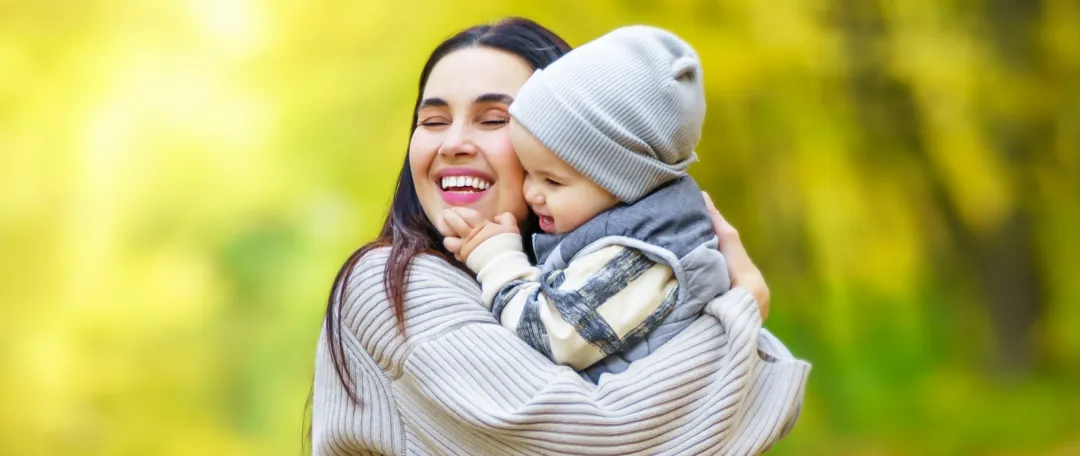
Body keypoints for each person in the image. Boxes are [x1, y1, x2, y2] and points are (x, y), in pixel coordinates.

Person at [311, 17, 809, 455]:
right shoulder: (391, 285)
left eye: (494, 120)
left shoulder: (591, 273)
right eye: (433, 120)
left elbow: (768, 402)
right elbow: (592, 440)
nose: (455, 143)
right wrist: (739, 315)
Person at [441, 25, 729, 383]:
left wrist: (497, 259)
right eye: (528, 172)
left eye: (553, 181)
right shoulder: (622, 230)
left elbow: (551, 337)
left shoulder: (644, 254)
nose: (532, 193)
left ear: (623, 180)